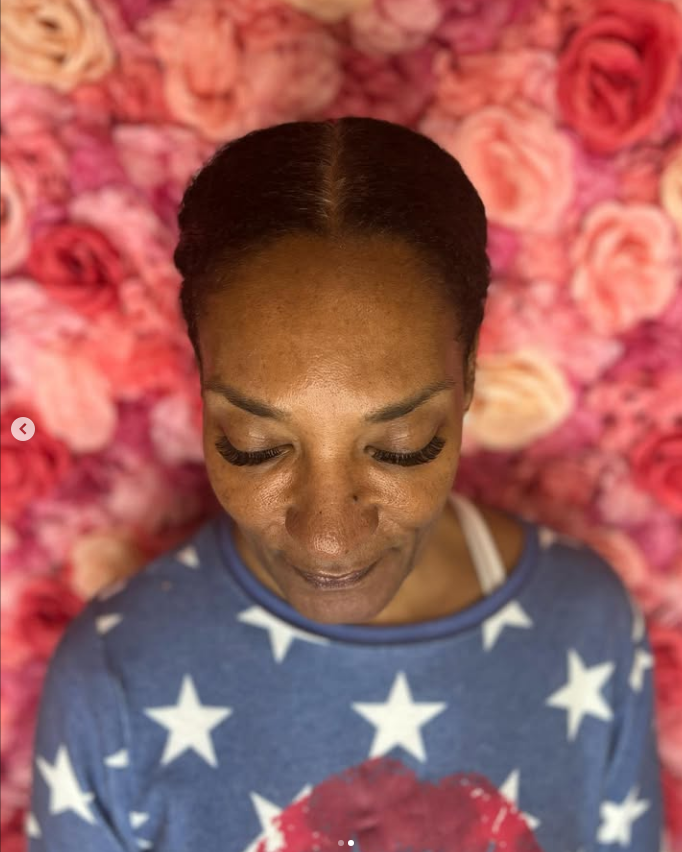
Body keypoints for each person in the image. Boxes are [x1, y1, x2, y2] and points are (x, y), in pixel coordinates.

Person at [27, 117, 663, 852]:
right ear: (203, 391)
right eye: (255, 445)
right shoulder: (117, 676)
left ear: (466, 383)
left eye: (401, 445)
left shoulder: (583, 625)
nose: (328, 536)